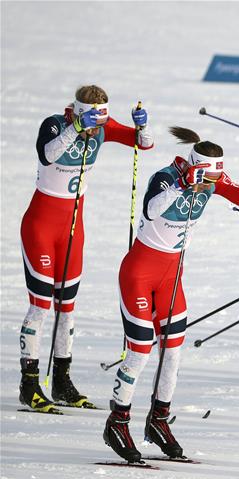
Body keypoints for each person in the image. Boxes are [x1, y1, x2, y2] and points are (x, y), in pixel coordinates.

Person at [103, 127, 239, 463]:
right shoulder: (167, 176)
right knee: (140, 351)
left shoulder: (212, 179)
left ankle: (159, 420)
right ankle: (117, 422)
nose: (211, 186)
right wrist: (182, 184)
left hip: (172, 276)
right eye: (207, 180)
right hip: (139, 271)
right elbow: (150, 210)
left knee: (173, 352)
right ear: (194, 167)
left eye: (214, 180)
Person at [19, 85, 153, 414]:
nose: (96, 129)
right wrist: (77, 128)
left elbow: (143, 143)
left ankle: (63, 382)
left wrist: (142, 125)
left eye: (100, 122)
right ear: (78, 112)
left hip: (73, 230)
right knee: (41, 306)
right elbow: (46, 154)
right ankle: (30, 384)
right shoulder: (55, 123)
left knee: (68, 307)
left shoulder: (102, 128)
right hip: (41, 226)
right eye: (91, 120)